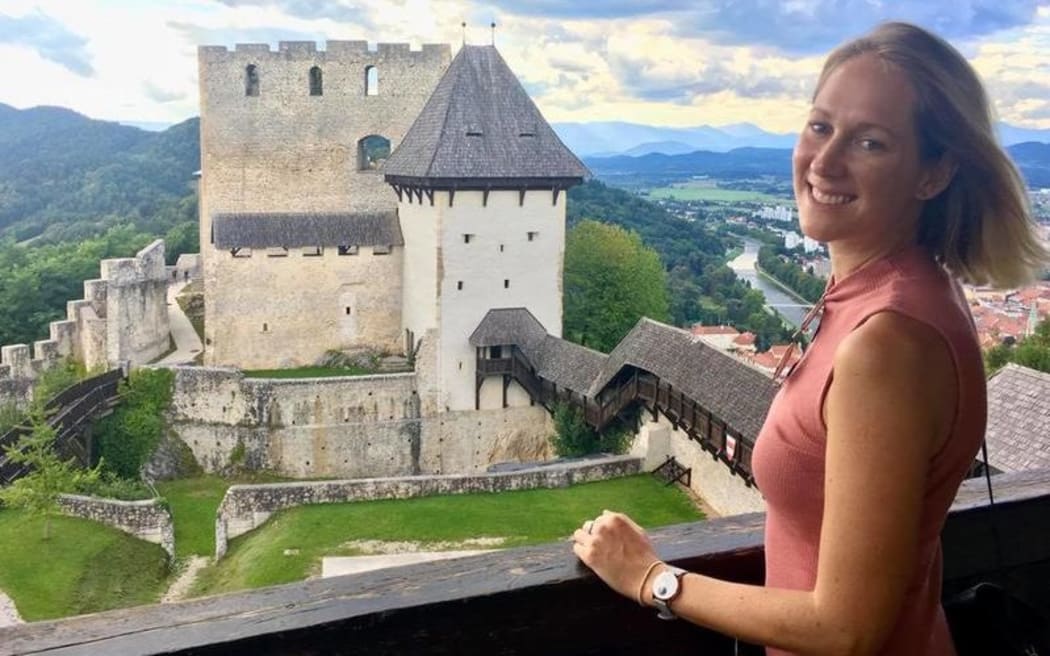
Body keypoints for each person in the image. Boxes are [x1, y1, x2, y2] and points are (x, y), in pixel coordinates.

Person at [572, 21, 1047, 656]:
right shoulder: (904, 292)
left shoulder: (888, 344)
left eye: (871, 142)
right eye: (820, 126)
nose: (824, 162)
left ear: (934, 173)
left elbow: (847, 627)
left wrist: (653, 579)